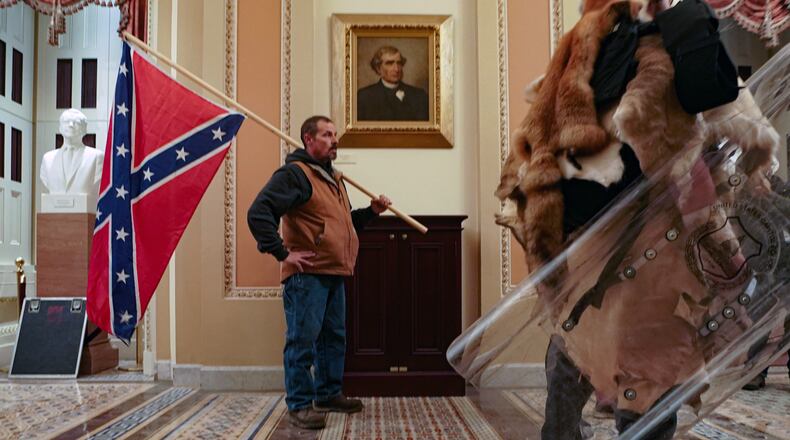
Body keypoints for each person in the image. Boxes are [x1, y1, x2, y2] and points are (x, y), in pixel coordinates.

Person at [247, 115, 392, 430]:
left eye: (335, 134)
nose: (334, 140)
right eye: (327, 135)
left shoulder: (332, 178)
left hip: (333, 272)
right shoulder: (295, 175)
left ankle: (327, 395)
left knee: (333, 338)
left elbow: (342, 225)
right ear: (308, 139)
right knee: (302, 341)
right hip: (306, 277)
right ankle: (300, 405)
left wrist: (371, 212)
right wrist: (283, 253)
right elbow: (259, 212)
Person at [40, 108, 103, 196]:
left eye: (76, 122)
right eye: (66, 121)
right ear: (60, 128)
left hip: (85, 207)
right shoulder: (48, 158)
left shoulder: (96, 156)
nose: (71, 125)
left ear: (84, 129)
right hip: (54, 207)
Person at [357, 46, 429, 121]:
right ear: (378, 68)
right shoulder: (364, 97)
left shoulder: (420, 95)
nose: (396, 69)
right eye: (389, 63)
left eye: (399, 63)